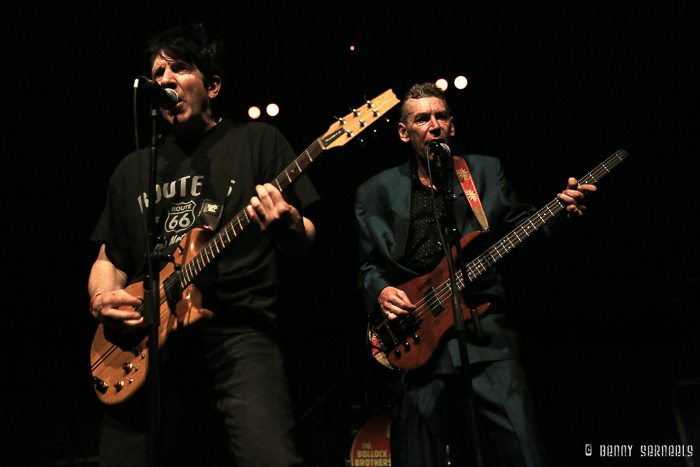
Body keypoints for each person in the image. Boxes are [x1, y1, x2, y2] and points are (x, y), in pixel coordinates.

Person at [88, 24, 317, 467]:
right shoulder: (133, 168)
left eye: (179, 68)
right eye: (158, 72)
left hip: (236, 326)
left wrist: (287, 224)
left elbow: (305, 236)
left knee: (269, 457)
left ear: (211, 85)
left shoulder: (257, 141)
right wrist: (101, 299)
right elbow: (108, 258)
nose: (166, 79)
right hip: (145, 335)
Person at [355, 83, 596, 467]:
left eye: (441, 116)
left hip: (483, 328)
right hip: (416, 337)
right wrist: (381, 292)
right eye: (422, 119)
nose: (434, 125)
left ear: (452, 126)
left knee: (524, 448)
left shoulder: (483, 171)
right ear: (404, 132)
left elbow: (525, 227)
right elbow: (369, 265)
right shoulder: (375, 192)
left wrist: (560, 214)